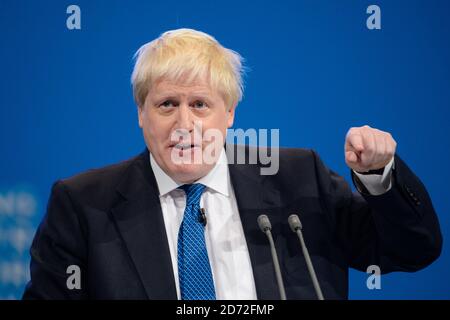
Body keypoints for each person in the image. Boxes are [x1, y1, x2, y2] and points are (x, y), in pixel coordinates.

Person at [23, 28, 442, 300]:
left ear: (230, 114)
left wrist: (378, 178)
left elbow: (411, 250)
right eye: (167, 104)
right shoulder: (83, 205)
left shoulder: (298, 180)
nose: (184, 124)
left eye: (200, 105)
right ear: (141, 113)